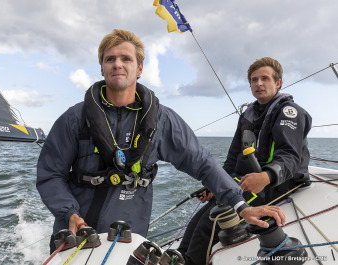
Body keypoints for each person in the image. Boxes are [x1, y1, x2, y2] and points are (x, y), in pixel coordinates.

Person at [36, 30, 286, 254]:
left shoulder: (162, 120)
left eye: (126, 59)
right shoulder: (74, 119)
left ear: (140, 68)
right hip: (75, 234)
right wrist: (69, 213)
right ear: (101, 68)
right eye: (110, 59)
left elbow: (202, 162)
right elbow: (50, 174)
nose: (117, 65)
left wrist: (241, 206)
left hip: (129, 239)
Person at [178, 57, 312, 265]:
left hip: (276, 184)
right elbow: (233, 157)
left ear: (278, 83)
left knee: (212, 220)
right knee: (199, 218)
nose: (259, 83)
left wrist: (266, 176)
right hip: (247, 182)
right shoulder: (247, 115)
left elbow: (290, 156)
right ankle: (179, 257)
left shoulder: (289, 113)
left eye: (265, 78)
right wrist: (215, 184)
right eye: (254, 79)